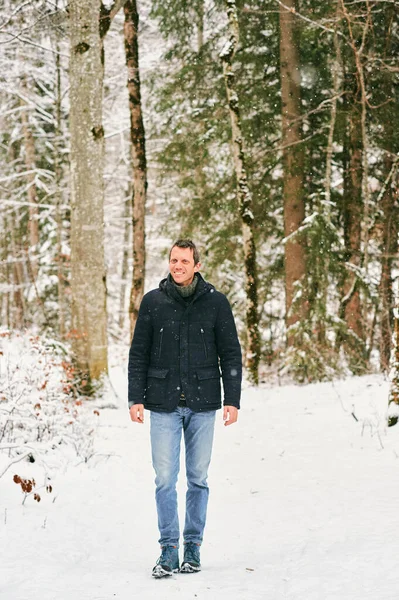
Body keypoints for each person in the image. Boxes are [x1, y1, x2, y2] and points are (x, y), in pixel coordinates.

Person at [128, 239, 242, 578]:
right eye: (174, 260)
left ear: (197, 265)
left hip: (203, 404)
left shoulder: (216, 303)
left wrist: (232, 400)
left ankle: (192, 545)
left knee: (197, 478)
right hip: (162, 405)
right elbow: (138, 354)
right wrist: (135, 398)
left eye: (185, 260)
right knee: (164, 480)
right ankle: (168, 550)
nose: (178, 265)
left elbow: (231, 354)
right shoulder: (153, 302)